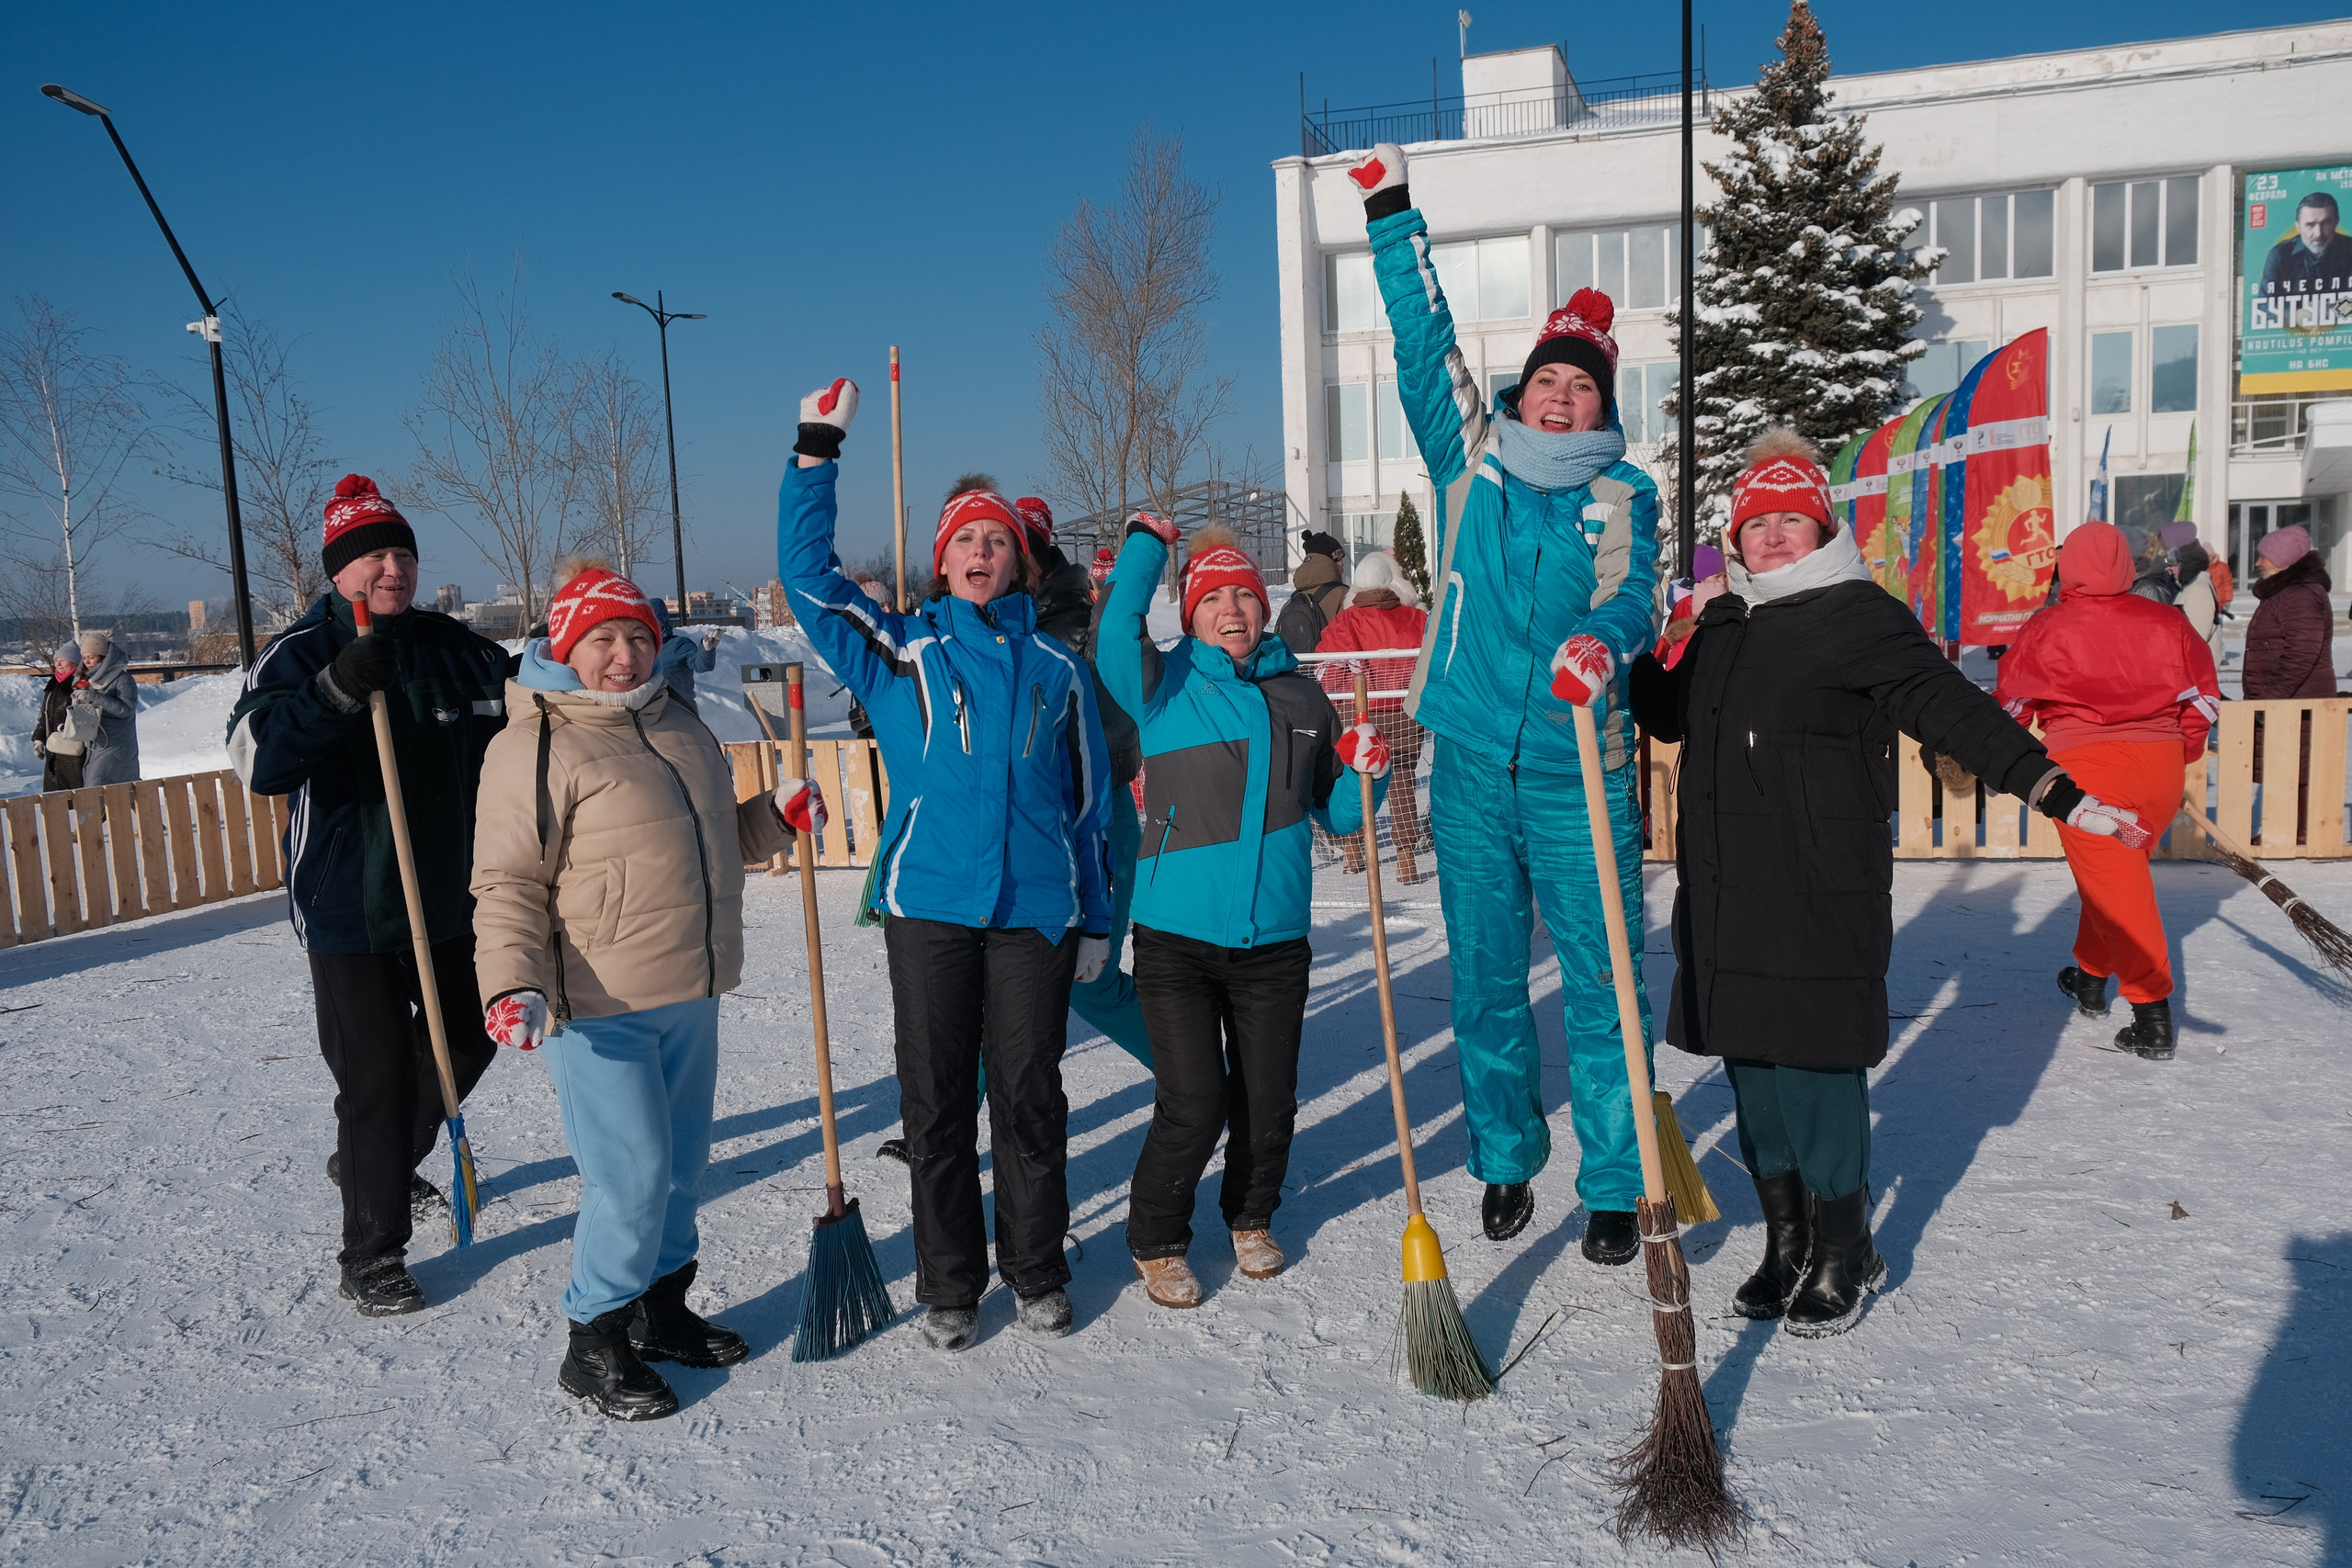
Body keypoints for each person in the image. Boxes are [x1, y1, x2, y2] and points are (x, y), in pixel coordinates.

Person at [1628, 434, 2153, 1336]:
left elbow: (1947, 706)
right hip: (1723, 890)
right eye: (1757, 523)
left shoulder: (1856, 614)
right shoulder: (1722, 622)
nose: (1774, 537)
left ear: (1823, 530)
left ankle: (1846, 1246)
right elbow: (1667, 717)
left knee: (1815, 1067)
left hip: (1817, 889)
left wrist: (2052, 788)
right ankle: (1787, 1240)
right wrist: (1646, 649)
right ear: (1734, 536)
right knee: (1751, 1068)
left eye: (1793, 520)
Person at [1351, 141, 1661, 1259]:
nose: (1562, 397)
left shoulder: (1626, 490)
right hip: (1474, 765)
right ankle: (1504, 1157)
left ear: (1603, 403)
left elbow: (1638, 597)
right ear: (1523, 389)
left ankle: (1616, 1178)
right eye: (1548, 380)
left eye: (1582, 386)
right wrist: (1392, 215)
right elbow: (1423, 345)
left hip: (1582, 768)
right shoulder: (1468, 459)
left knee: (1603, 981)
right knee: (1484, 979)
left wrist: (1599, 644)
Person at [778, 378, 1113, 1353]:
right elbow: (808, 580)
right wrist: (815, 452)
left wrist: (1096, 918)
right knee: (935, 1105)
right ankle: (950, 1284)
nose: (981, 551)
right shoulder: (902, 652)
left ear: (1018, 562)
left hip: (1035, 912)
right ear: (943, 559)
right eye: (965, 538)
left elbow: (1087, 808)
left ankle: (1036, 1268)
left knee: (1030, 1099)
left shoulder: (1059, 672)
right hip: (929, 907)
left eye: (997, 539)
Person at [470, 566, 807, 1420]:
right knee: (631, 1174)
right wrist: (512, 980)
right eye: (602, 639)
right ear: (565, 647)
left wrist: (774, 817)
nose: (624, 656)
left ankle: (662, 1306)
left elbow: (713, 841)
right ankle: (594, 1337)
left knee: (683, 1164)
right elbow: (508, 879)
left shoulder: (677, 721)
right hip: (598, 1004)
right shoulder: (534, 742)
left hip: (690, 987)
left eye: (638, 638)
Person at [225, 474, 508, 1317]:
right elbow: (257, 761)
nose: (393, 568)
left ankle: (375, 1156)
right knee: (376, 1075)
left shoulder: (457, 648)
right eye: (374, 555)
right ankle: (373, 1250)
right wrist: (337, 689)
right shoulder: (298, 652)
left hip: (451, 896)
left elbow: (528, 721)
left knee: (470, 1037)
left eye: (403, 554)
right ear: (339, 570)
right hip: (350, 904)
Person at [1097, 516, 1385, 1306]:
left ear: (1266, 607)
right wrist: (1146, 546)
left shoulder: (1303, 697)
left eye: (1245, 596)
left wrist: (1368, 772)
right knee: (1193, 1099)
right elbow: (1115, 632)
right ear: (1190, 613)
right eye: (1213, 598)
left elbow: (1339, 813)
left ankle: (1251, 1215)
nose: (1232, 609)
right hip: (1176, 939)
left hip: (1275, 940)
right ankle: (1157, 1236)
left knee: (1268, 1102)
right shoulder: (1162, 686)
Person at [1997, 521, 2222, 1061]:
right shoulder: (2169, 622)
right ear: (2127, 563)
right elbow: (2204, 700)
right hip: (2160, 767)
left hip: (2086, 773)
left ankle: (2151, 1015)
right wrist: (2182, 752)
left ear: (2067, 565)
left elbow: (2012, 706)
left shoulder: (2046, 627)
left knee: (2119, 891)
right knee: (2114, 880)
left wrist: (2009, 760)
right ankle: (2090, 978)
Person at [1314, 549, 1429, 883]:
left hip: (1359, 713)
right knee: (1403, 780)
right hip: (1406, 712)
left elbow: (1326, 672)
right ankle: (1406, 859)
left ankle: (1354, 851)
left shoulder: (1344, 622)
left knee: (1356, 778)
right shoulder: (1416, 619)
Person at [2243, 525, 2337, 699]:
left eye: (2264, 557)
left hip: (2296, 704)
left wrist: (2268, 700)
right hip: (2284, 703)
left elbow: (2301, 653)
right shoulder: (2282, 592)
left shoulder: (2300, 595)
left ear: (2281, 560)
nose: (2258, 563)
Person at [72, 629, 141, 786]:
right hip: (95, 742)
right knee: (102, 789)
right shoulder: (87, 680)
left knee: (98, 789)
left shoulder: (122, 679)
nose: (87, 662)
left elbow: (126, 709)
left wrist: (95, 697)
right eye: (84, 658)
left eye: (92, 657)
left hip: (117, 744)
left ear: (104, 657)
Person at [2257, 190, 2352, 299]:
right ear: (2298, 227)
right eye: (2310, 225)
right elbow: (2264, 304)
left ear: (2336, 222)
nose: (2318, 233)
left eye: (2326, 223)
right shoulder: (2280, 255)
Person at [1274, 529, 1350, 656]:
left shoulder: (1291, 602)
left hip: (1295, 668)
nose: (1342, 564)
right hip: (1328, 667)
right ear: (1328, 562)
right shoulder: (1343, 594)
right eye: (1338, 559)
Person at [31, 641, 85, 794]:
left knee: (76, 795)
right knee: (54, 796)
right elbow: (44, 715)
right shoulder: (53, 685)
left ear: (74, 662)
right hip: (53, 749)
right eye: (56, 660)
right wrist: (39, 739)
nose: (58, 664)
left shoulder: (81, 683)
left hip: (74, 750)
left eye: (63, 660)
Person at [650, 595, 720, 713]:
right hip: (650, 715)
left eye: (654, 623)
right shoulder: (639, 649)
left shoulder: (678, 645)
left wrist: (707, 649)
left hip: (680, 711)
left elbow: (701, 665)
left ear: (663, 622)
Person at [2172, 540, 2225, 671]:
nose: (2173, 569)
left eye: (2177, 564)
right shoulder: (2191, 587)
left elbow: (2198, 635)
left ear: (2189, 565)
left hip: (2196, 668)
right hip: (2192, 666)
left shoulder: (2198, 589)